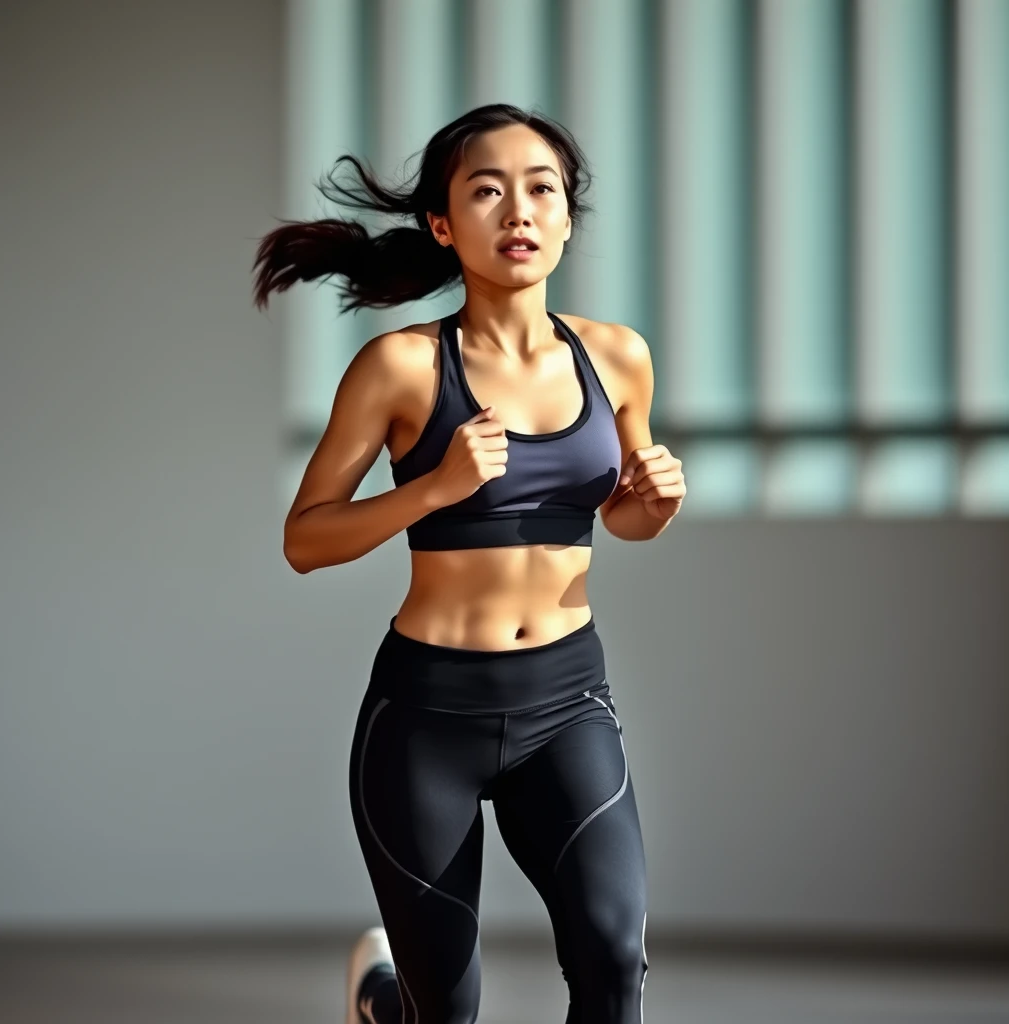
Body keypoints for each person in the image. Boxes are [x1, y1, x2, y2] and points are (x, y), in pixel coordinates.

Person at [252, 103, 686, 1024]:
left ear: (568, 218)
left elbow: (620, 521)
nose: (518, 211)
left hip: (567, 703)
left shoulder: (617, 358)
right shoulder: (402, 367)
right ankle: (383, 1002)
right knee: (444, 1009)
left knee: (614, 963)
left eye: (542, 191)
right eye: (487, 191)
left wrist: (647, 507)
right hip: (426, 719)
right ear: (444, 225)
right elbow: (305, 539)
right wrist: (431, 489)